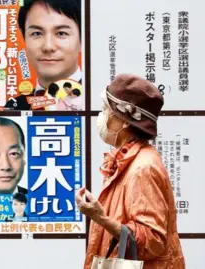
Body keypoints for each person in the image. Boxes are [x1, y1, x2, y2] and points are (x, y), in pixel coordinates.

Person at [76, 74, 185, 269]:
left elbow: (153, 240)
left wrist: (101, 218)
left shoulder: (143, 168)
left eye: (105, 110)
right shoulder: (129, 160)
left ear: (125, 120)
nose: (101, 117)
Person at [4, 0, 82, 110]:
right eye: (37, 33)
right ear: (24, 38)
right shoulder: (14, 106)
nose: (48, 47)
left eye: (61, 33)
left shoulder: (99, 99)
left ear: (82, 40)